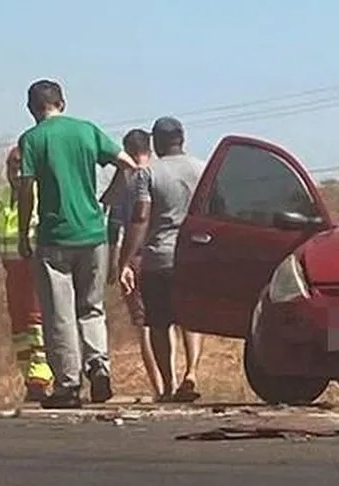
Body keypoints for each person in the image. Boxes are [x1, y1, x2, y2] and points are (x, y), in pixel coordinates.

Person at [17, 79, 139, 409]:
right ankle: (99, 369)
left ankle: (68, 385)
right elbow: (129, 165)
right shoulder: (87, 131)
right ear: (63, 103)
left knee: (59, 314)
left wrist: (24, 232)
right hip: (93, 234)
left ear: (32, 109)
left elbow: (26, 188)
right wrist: (107, 199)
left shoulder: (32, 140)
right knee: (91, 307)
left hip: (55, 236)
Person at [117, 116, 205, 402]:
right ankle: (192, 372)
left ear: (156, 142)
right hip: (194, 255)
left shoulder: (148, 173)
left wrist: (126, 258)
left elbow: (141, 216)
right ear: (183, 138)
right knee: (191, 319)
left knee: (159, 321)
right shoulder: (203, 169)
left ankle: (168, 385)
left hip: (159, 256)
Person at [0, 146, 54, 402]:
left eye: (20, 165)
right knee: (19, 328)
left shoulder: (42, 192)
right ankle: (30, 378)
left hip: (36, 268)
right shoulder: (1, 195)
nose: (16, 172)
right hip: (12, 271)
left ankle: (43, 378)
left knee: (37, 322)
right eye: (12, 166)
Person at [99, 128, 164, 400]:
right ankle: (180, 378)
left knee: (143, 325)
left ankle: (160, 387)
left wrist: (114, 265)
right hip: (165, 253)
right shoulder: (163, 173)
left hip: (134, 256)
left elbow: (114, 227)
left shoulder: (124, 181)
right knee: (169, 321)